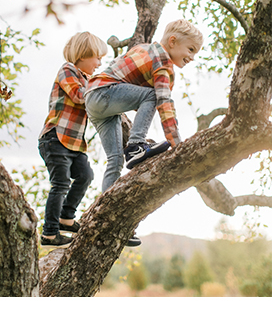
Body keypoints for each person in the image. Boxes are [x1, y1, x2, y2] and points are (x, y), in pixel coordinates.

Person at [86, 19, 204, 246]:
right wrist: (176, 142)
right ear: (172, 41)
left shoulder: (143, 49)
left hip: (95, 100)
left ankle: (107, 218)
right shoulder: (162, 61)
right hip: (104, 93)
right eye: (190, 50)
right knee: (152, 95)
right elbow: (163, 101)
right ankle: (136, 146)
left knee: (113, 160)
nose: (192, 57)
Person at [36, 32, 107, 247]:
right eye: (97, 58)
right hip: (55, 137)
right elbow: (78, 95)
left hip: (74, 143)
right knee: (60, 183)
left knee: (85, 175)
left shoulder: (88, 79)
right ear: (83, 55)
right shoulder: (67, 70)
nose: (99, 63)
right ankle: (49, 233)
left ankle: (66, 217)